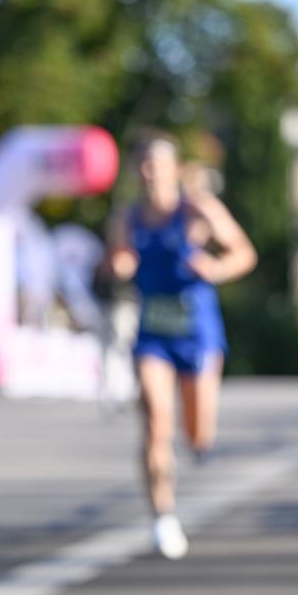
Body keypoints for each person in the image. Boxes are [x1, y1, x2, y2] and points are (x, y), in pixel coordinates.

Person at [107, 132, 257, 558]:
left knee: (197, 430)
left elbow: (244, 253)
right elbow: (117, 257)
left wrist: (216, 268)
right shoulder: (126, 216)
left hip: (198, 333)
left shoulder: (197, 209)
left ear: (174, 169)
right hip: (153, 332)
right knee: (156, 422)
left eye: (157, 163)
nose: (150, 172)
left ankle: (198, 444)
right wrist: (119, 265)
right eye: (143, 164)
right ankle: (163, 515)